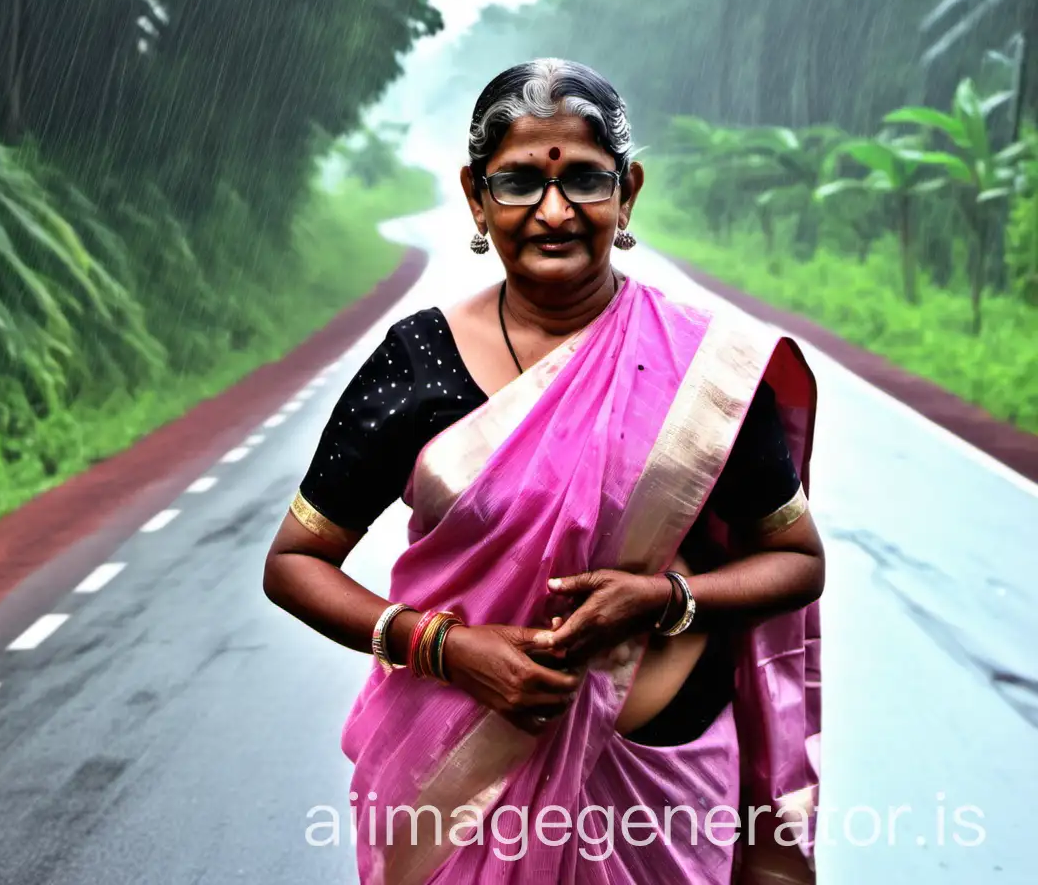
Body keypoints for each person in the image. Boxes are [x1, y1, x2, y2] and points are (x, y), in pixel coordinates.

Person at [263, 58, 824, 884]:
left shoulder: (704, 369)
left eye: (587, 181)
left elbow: (799, 561)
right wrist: (448, 648)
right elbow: (295, 563)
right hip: (457, 773)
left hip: (664, 782)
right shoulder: (419, 364)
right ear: (476, 198)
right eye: (520, 182)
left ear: (627, 193)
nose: (554, 212)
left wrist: (665, 598)